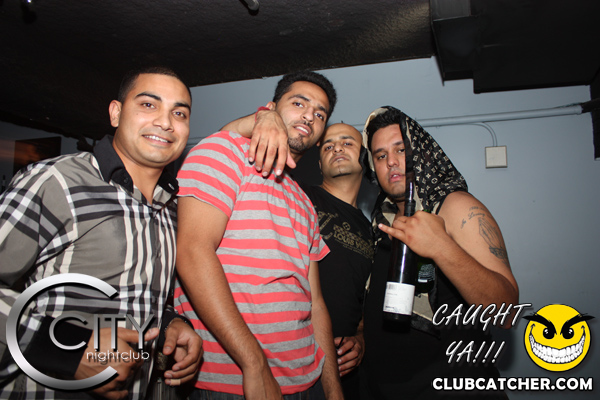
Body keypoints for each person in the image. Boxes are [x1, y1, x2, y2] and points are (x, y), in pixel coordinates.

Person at [0, 67, 203, 400]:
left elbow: (135, 296)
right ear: (116, 113)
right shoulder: (57, 181)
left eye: (179, 113)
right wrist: (66, 349)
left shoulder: (171, 209)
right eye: (149, 105)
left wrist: (170, 323)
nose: (166, 122)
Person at [174, 71, 344, 400]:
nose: (310, 115)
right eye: (299, 103)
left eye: (320, 113)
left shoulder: (305, 203)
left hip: (306, 381)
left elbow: (316, 303)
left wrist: (333, 390)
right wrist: (254, 363)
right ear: (270, 109)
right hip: (235, 382)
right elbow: (192, 252)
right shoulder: (224, 151)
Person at [360, 106, 519, 399]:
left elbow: (505, 313)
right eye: (380, 156)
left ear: (421, 155)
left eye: (400, 150)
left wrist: (441, 246)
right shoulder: (380, 221)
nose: (391, 162)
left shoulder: (456, 207)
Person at [300, 123, 373, 400]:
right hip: (294, 358)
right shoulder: (299, 197)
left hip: (344, 367)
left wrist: (361, 338)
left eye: (347, 142)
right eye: (328, 146)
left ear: (365, 159)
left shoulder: (373, 231)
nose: (337, 148)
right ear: (320, 165)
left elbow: (365, 300)